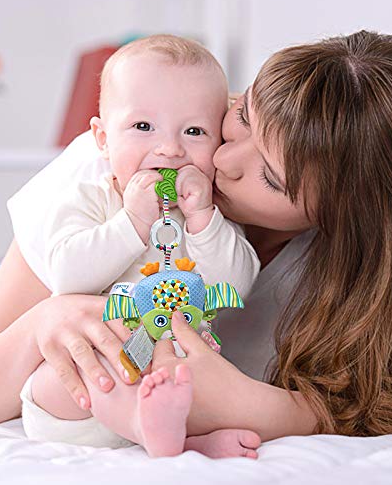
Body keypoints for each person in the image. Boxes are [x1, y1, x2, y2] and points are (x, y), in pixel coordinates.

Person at [0, 31, 392, 451]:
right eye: (244, 115)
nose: (223, 161)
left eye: (271, 179)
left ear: (341, 214)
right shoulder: (128, 155)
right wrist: (43, 320)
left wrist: (267, 410)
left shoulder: (382, 267)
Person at [18, 34, 260, 457]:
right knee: (53, 383)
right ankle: (145, 425)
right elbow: (67, 274)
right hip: (93, 385)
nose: (170, 148)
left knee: (205, 380)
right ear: (103, 138)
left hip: (177, 371)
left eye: (194, 131)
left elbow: (235, 287)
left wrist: (203, 219)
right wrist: (132, 223)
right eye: (143, 127)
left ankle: (185, 434)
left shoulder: (205, 213)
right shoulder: (91, 197)